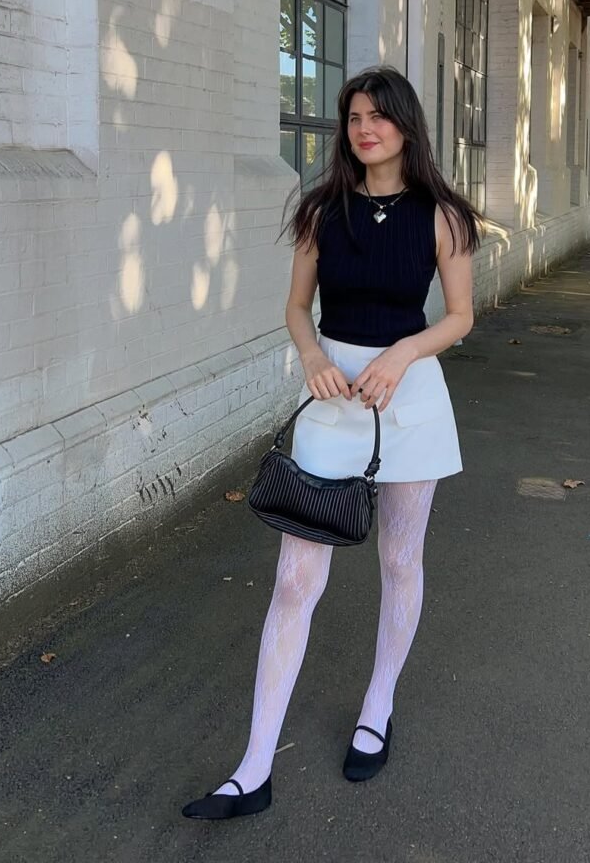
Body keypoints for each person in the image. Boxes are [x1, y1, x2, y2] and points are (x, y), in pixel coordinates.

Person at [182, 66, 482, 821]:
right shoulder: (322, 210)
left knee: (398, 557)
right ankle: (254, 769)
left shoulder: (441, 215)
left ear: (405, 126)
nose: (363, 128)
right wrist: (313, 356)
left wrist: (405, 352)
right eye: (352, 117)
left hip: (407, 399)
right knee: (293, 580)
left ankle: (376, 707)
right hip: (332, 399)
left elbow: (460, 316)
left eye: (377, 116)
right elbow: (295, 306)